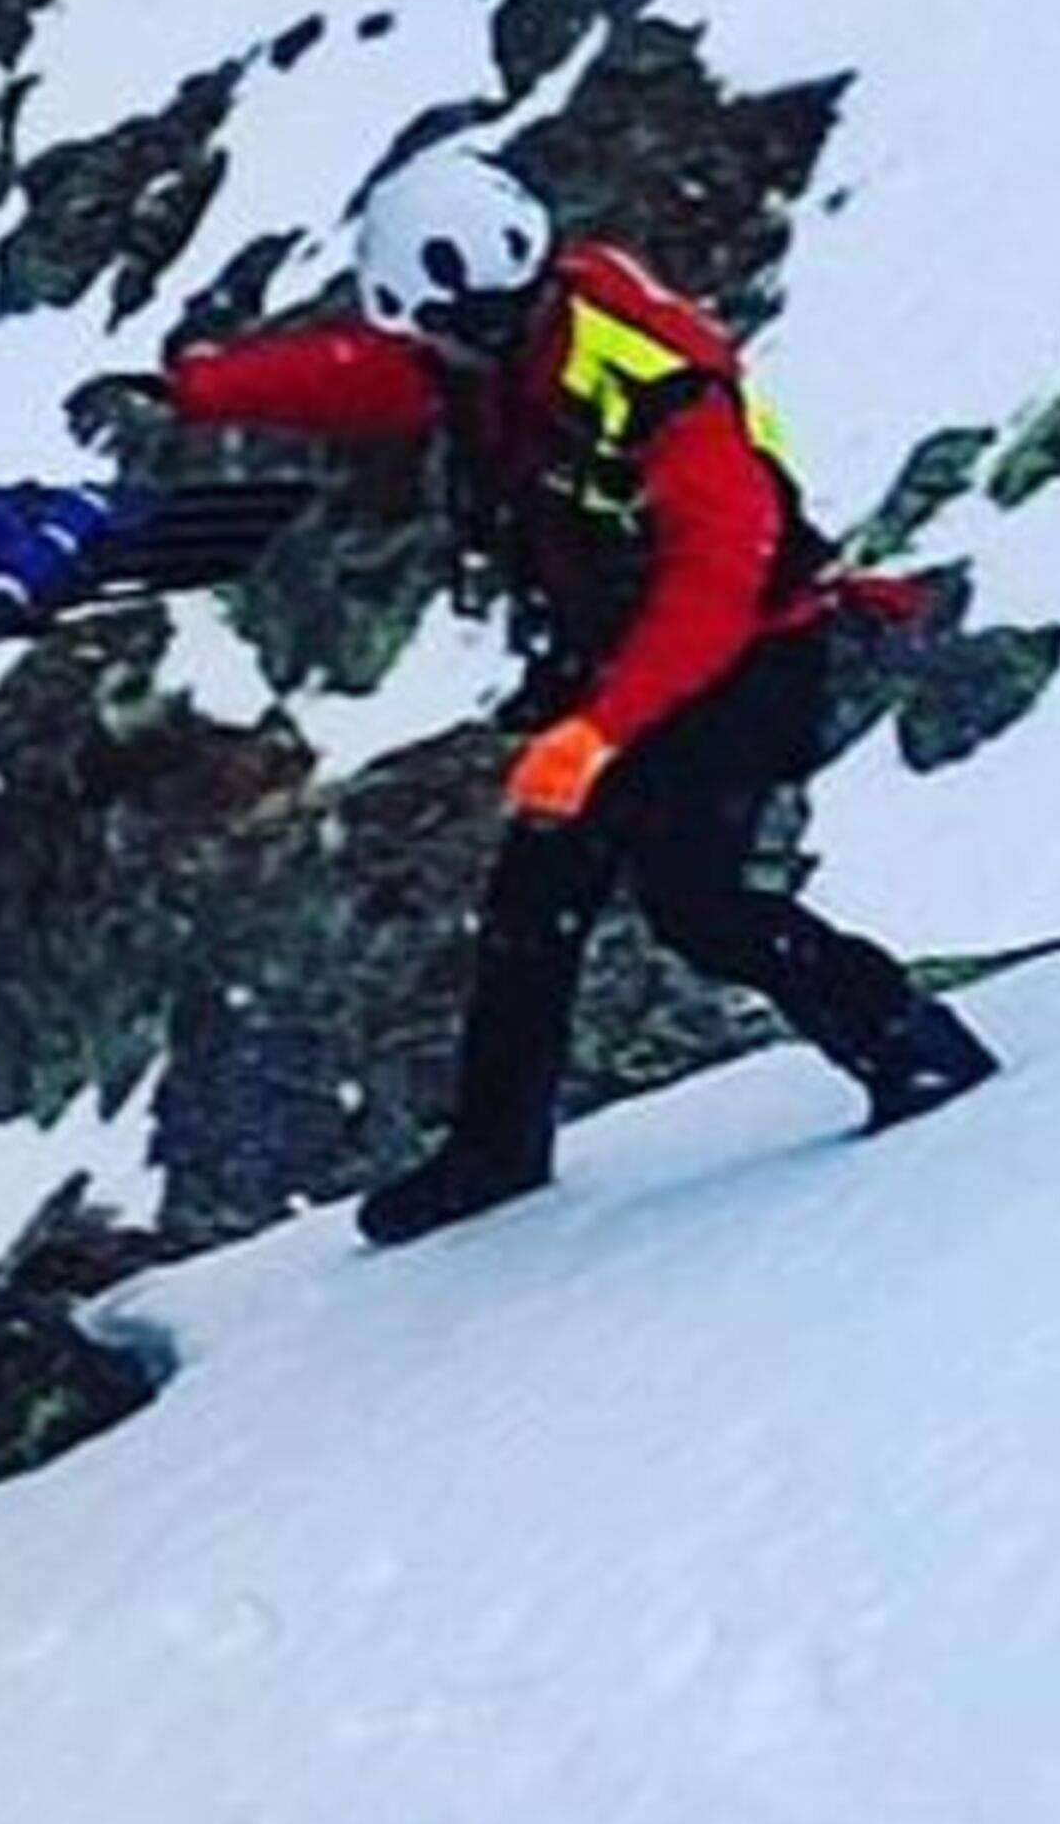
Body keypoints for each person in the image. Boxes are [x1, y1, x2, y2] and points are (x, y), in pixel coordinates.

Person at [156, 143, 1000, 1239]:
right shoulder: (511, 329)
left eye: (442, 330)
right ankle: (495, 1150)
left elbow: (715, 585)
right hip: (628, 657)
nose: (433, 351)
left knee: (696, 901)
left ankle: (910, 1046)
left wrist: (599, 732)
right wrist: (209, 387)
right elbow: (382, 375)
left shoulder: (653, 385)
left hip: (745, 659)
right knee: (530, 907)